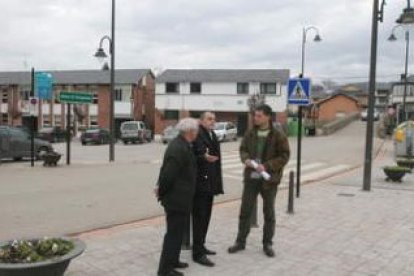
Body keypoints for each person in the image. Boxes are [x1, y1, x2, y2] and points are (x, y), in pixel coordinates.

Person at [228, 104, 290, 257]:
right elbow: (243, 149)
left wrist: (267, 166)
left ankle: (267, 243)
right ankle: (240, 241)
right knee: (245, 211)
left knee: (269, 213)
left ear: (268, 117)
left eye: (259, 116)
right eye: (255, 115)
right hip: (251, 178)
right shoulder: (250, 133)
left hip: (269, 180)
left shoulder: (278, 135)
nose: (255, 118)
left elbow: (284, 156)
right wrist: (246, 160)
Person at [156, 118, 199, 276]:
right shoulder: (178, 147)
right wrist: (161, 191)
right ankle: (164, 270)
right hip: (176, 200)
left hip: (181, 199)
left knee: (178, 233)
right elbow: (168, 175)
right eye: (195, 131)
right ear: (190, 132)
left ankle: (173, 261)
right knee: (173, 235)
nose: (197, 133)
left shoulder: (183, 145)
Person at [192, 111, 224, 267]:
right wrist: (203, 157)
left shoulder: (212, 134)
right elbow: (193, 156)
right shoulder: (197, 134)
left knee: (206, 217)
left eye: (214, 119)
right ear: (201, 120)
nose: (213, 121)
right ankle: (197, 253)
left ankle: (201, 245)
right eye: (209, 119)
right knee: (199, 218)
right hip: (200, 184)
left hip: (210, 183)